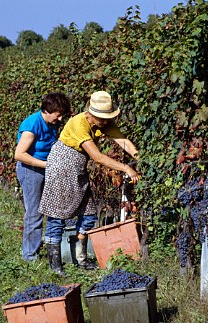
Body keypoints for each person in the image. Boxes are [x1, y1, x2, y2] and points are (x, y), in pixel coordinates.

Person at [39, 91, 140, 275]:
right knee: (57, 215)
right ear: (91, 114)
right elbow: (97, 156)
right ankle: (55, 266)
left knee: (88, 214)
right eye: (102, 117)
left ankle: (81, 259)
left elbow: (122, 140)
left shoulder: (103, 123)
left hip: (78, 169)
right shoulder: (78, 123)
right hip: (62, 166)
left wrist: (140, 158)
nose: (105, 121)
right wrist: (125, 167)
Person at [14, 92, 71, 262]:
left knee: (54, 210)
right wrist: (47, 165)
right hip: (30, 170)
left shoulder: (52, 123)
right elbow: (19, 154)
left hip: (46, 168)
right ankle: (29, 257)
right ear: (46, 110)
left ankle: (49, 249)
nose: (60, 119)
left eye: (62, 115)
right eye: (58, 115)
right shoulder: (32, 125)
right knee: (34, 213)